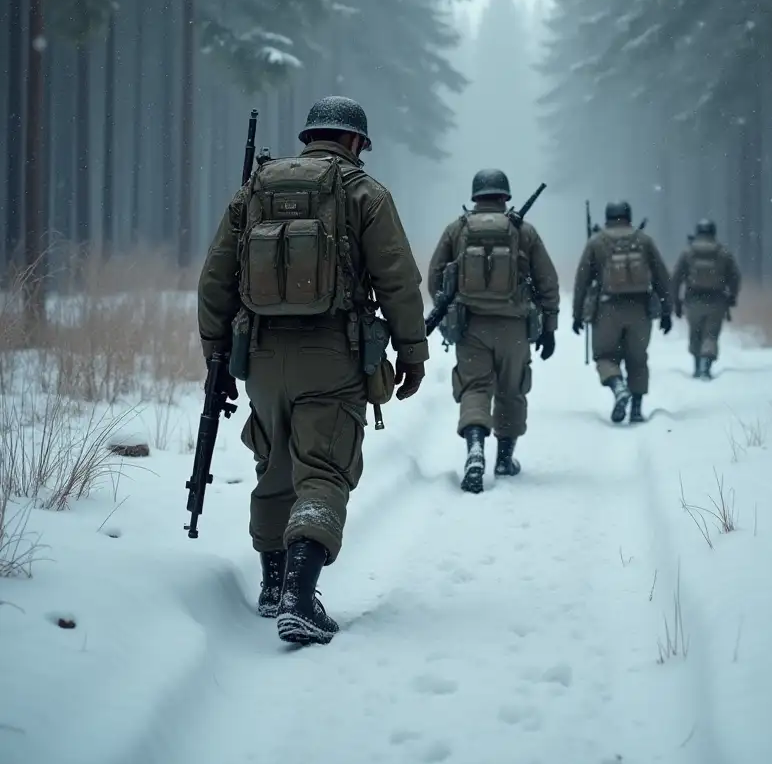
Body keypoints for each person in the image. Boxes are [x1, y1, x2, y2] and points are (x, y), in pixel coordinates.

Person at [197, 96, 428, 647]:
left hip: (260, 356)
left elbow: (214, 281)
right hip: (332, 352)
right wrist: (411, 352)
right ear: (355, 142)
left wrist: (216, 354)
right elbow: (398, 280)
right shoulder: (365, 194)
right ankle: (302, 597)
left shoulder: (254, 190)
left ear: (309, 136)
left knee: (274, 463)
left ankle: (274, 585)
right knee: (323, 471)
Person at [427, 168, 559, 493]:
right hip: (514, 327)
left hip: (471, 325)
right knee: (511, 391)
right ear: (505, 196)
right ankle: (503, 458)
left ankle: (475, 449)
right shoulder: (524, 232)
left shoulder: (457, 230)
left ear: (475, 196)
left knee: (474, 388)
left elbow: (434, 278)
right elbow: (547, 282)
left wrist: (450, 310)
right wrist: (549, 327)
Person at [572, 201, 672, 424]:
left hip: (607, 310)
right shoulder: (643, 240)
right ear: (629, 216)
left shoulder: (597, 242)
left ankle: (618, 388)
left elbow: (582, 281)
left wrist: (577, 314)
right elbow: (662, 277)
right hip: (640, 310)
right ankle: (636, 409)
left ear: (607, 217)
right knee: (637, 359)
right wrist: (667, 311)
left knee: (605, 356)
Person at [671, 219, 741, 379]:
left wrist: (676, 301)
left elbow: (676, 278)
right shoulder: (723, 253)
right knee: (711, 334)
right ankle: (705, 367)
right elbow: (735, 277)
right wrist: (732, 296)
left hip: (693, 299)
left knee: (695, 333)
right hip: (717, 300)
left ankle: (697, 365)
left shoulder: (688, 252)